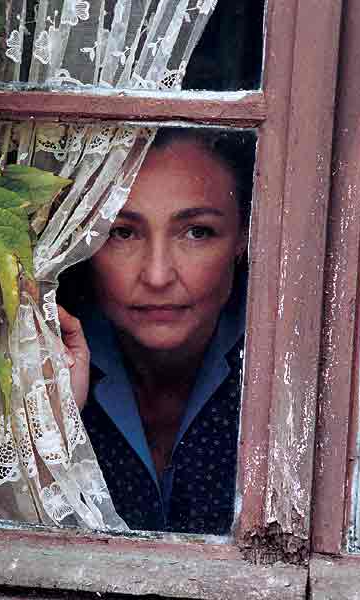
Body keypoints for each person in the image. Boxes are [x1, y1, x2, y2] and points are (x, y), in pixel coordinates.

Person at [58, 129, 251, 534]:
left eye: (197, 232)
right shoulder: (53, 355)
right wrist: (56, 421)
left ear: (243, 238)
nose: (158, 275)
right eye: (123, 232)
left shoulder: (286, 364)